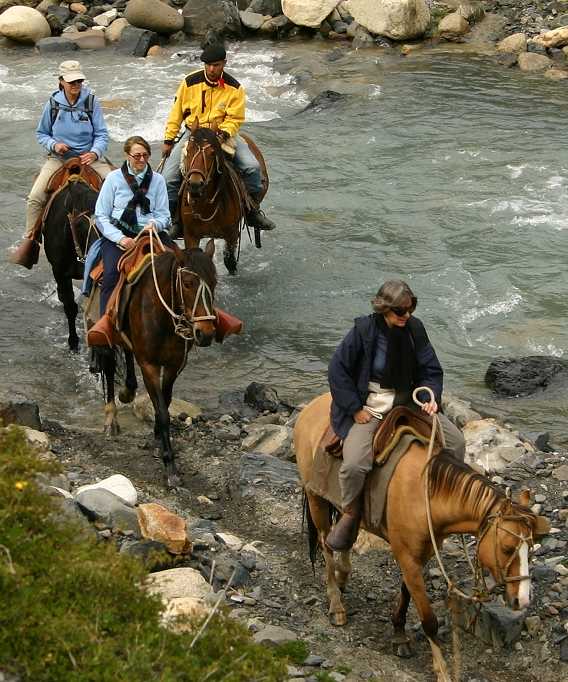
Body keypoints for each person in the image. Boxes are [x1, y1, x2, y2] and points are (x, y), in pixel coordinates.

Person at [326, 279, 466, 552]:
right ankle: (351, 513)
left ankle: (443, 496)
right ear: (384, 309)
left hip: (408, 402)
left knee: (457, 442)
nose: (407, 316)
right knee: (355, 464)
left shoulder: (415, 329)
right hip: (372, 405)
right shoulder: (363, 331)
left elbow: (431, 370)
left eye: (410, 309)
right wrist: (355, 409)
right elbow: (337, 370)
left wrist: (430, 398)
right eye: (400, 311)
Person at [161, 42, 276, 236]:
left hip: (222, 134)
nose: (212, 69)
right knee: (168, 178)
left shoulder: (235, 88)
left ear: (224, 63)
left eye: (216, 65)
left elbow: (235, 118)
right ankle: (175, 219)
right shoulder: (189, 83)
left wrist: (222, 134)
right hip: (193, 134)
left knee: (252, 167)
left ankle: (252, 211)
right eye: (208, 65)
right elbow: (176, 113)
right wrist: (169, 139)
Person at [12, 60, 112, 269]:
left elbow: (102, 134)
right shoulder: (53, 103)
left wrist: (94, 152)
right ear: (61, 82)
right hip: (59, 159)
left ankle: (125, 237)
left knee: (118, 188)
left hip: (89, 157)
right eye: (71, 81)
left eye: (79, 81)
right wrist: (54, 144)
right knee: (35, 197)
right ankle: (32, 240)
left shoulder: (91, 102)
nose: (76, 85)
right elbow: (42, 133)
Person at [87, 135, 173, 345]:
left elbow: (164, 215)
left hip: (151, 234)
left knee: (180, 266)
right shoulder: (114, 179)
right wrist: (121, 239)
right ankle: (106, 326)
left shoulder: (158, 180)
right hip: (120, 235)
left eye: (145, 155)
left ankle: (184, 318)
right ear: (127, 156)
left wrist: (156, 225)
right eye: (137, 156)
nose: (141, 160)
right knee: (111, 274)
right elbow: (101, 216)